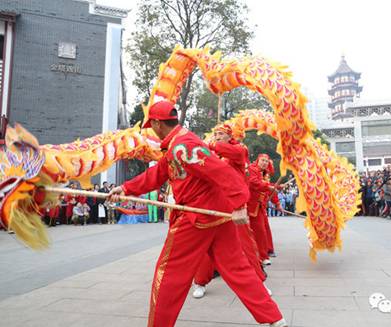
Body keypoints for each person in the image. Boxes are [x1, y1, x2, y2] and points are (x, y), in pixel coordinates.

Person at [108, 101, 287, 327]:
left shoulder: (184, 146)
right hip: (217, 215)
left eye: (151, 125)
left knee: (168, 273)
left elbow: (222, 171)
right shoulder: (177, 145)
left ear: (156, 123)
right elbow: (159, 173)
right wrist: (125, 189)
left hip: (198, 217)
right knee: (238, 268)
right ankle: (274, 318)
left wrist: (240, 203)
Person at [192, 123, 270, 299]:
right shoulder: (211, 155)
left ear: (229, 136)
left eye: (221, 133)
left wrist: (209, 145)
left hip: (235, 207)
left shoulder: (239, 150)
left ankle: (259, 283)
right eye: (216, 133)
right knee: (207, 245)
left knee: (246, 244)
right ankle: (200, 282)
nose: (217, 136)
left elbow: (236, 154)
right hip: (213, 206)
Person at [247, 154, 283, 266]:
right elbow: (254, 182)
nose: (264, 163)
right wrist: (269, 186)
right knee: (254, 233)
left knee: (262, 231)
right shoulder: (251, 170)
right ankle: (259, 256)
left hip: (259, 207)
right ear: (257, 160)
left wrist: (277, 202)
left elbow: (269, 190)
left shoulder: (264, 174)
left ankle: (263, 255)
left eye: (267, 161)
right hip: (249, 206)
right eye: (262, 160)